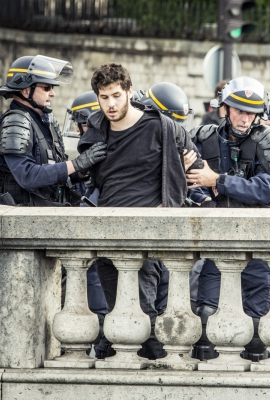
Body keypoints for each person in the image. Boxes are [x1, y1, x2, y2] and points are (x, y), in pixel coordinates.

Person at [77, 63, 201, 360]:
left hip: (148, 237)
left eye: (117, 95)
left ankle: (158, 379)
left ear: (130, 92)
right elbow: (85, 179)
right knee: (115, 314)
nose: (111, 103)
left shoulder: (161, 127)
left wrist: (176, 179)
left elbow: (194, 168)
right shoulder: (96, 128)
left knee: (143, 315)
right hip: (107, 236)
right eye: (104, 97)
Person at [186, 76, 270, 361]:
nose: (245, 118)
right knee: (207, 313)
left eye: (251, 112)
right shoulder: (205, 136)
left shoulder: (268, 138)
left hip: (258, 241)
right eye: (239, 110)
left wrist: (218, 181)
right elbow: (183, 179)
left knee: (257, 323)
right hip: (217, 239)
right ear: (226, 108)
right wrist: (204, 199)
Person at [0, 55, 107, 206]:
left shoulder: (43, 121)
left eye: (52, 88)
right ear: (26, 91)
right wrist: (76, 164)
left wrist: (81, 171)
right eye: (46, 87)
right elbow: (27, 176)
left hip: (43, 213)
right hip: (18, 218)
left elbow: (53, 174)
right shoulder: (16, 122)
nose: (53, 93)